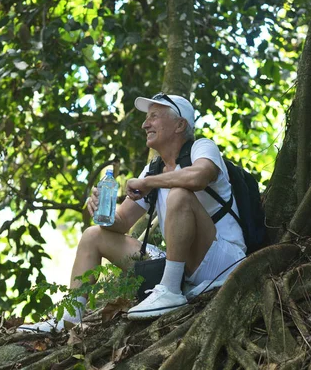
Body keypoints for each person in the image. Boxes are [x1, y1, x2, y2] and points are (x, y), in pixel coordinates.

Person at [17, 93, 246, 333]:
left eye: (154, 117)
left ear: (180, 125)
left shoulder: (202, 147)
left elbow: (198, 177)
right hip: (181, 269)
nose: (145, 124)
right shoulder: (154, 168)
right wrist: (101, 211)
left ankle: (169, 292)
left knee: (180, 194)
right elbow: (123, 221)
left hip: (221, 261)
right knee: (93, 235)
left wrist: (150, 183)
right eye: (147, 118)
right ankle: (66, 319)